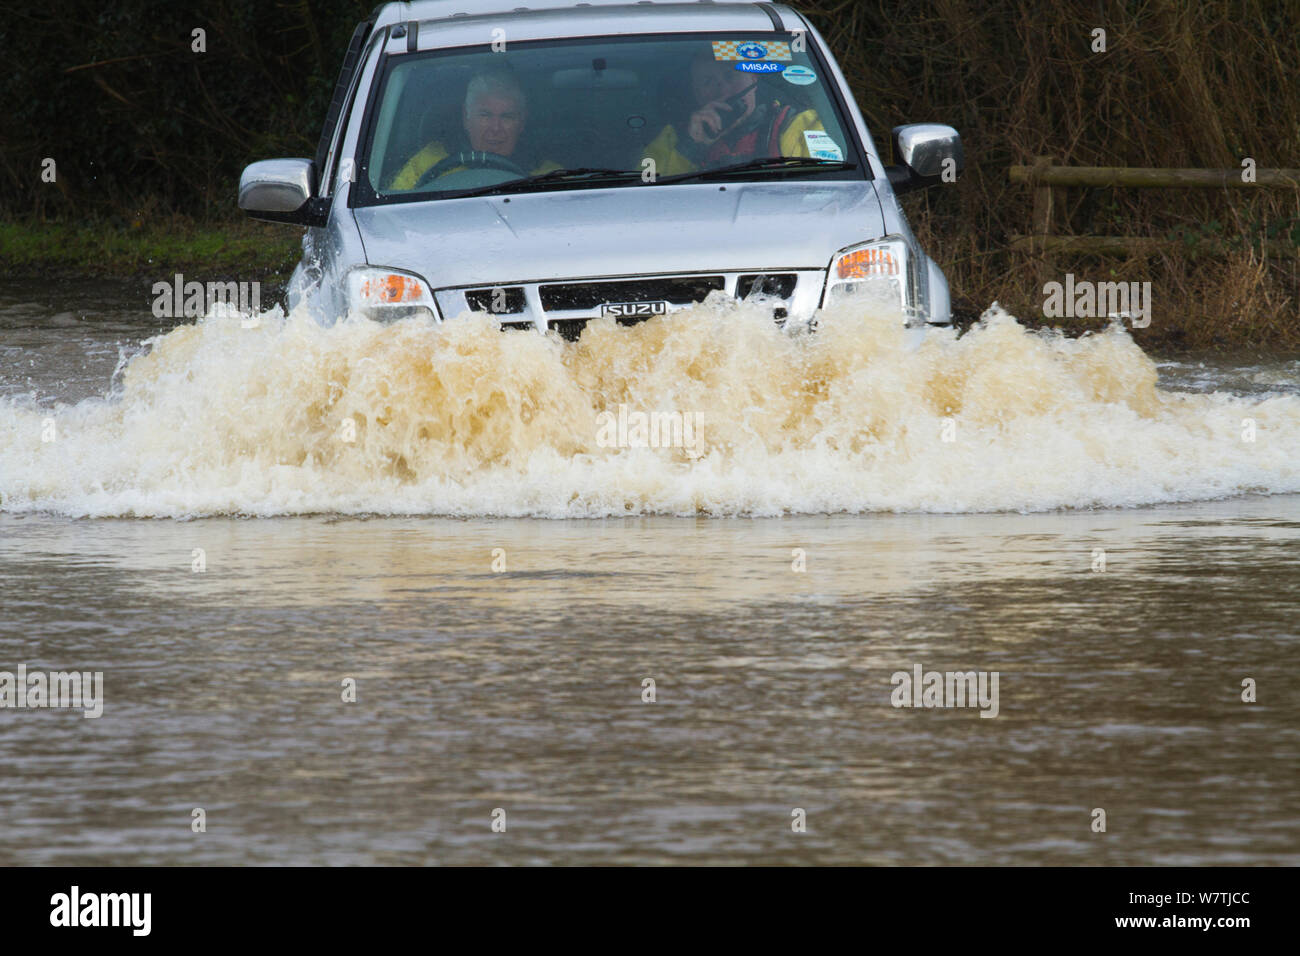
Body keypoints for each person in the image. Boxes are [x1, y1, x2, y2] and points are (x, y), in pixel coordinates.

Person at [642, 52, 827, 176]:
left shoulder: (797, 125)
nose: (721, 88)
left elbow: (826, 186)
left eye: (730, 76)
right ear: (696, 93)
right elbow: (645, 195)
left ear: (753, 79)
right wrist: (691, 147)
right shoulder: (673, 138)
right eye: (707, 82)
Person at [388, 72, 561, 190]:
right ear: (466, 117)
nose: (495, 128)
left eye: (507, 117)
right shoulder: (427, 163)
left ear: (522, 122)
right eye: (485, 115)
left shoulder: (547, 175)